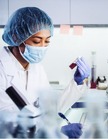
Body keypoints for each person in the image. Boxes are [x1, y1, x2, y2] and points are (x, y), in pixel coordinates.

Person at [0, 7, 90, 138]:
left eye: (47, 41)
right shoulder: (2, 69)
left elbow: (49, 109)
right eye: (37, 41)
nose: (42, 47)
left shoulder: (36, 68)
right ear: (16, 37)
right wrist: (55, 131)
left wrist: (77, 82)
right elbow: (5, 124)